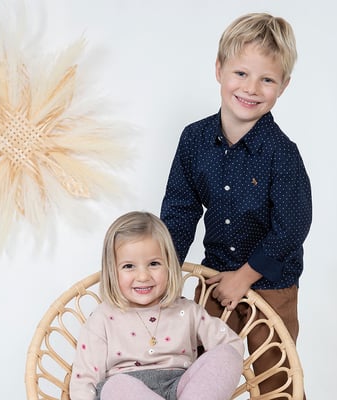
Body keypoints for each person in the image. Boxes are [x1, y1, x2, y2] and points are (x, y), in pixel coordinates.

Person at [160, 13, 312, 395]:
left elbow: (292, 227)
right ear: (219, 70)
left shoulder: (282, 154)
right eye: (241, 73)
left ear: (284, 85)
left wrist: (245, 276)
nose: (251, 88)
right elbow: (180, 210)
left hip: (272, 283)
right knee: (201, 370)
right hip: (215, 278)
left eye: (267, 79)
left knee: (275, 377)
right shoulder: (194, 140)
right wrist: (166, 274)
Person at [70, 211, 244, 400]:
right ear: (112, 271)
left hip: (181, 390)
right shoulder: (103, 317)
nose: (143, 276)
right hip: (127, 391)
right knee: (114, 386)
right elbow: (84, 380)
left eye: (154, 263)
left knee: (227, 354)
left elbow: (231, 345)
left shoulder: (187, 310)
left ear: (169, 265)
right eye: (128, 266)